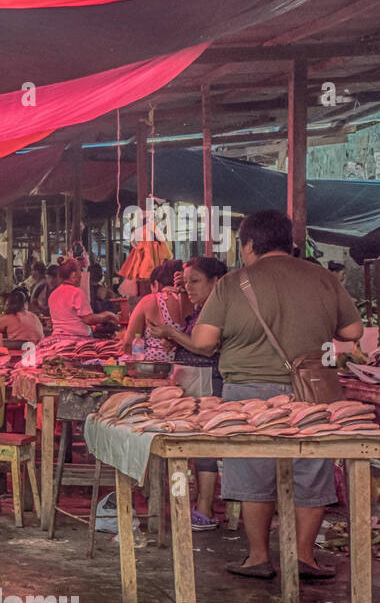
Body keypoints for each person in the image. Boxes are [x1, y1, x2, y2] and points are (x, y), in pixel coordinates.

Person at [188, 210, 363, 580]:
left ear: (249, 243)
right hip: (312, 390)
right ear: (290, 242)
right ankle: (304, 557)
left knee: (254, 471)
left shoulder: (233, 283)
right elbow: (352, 330)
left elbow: (203, 341)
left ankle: (258, 557)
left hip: (249, 392)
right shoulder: (322, 278)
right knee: (311, 472)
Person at [145, 256, 228, 530]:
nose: (188, 288)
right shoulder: (201, 309)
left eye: (195, 281)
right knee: (192, 441)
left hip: (205, 379)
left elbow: (205, 348)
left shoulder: (217, 310)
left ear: (216, 281)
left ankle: (204, 508)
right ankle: (195, 504)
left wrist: (172, 332)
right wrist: (175, 342)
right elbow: (192, 343)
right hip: (191, 378)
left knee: (202, 442)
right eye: (185, 282)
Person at [117, 259, 185, 358]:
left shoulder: (150, 301)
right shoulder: (195, 300)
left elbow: (129, 344)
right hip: (190, 366)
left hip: (155, 368)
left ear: (156, 285)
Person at [49, 261, 118, 337]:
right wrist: (107, 315)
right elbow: (88, 319)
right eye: (80, 272)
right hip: (77, 338)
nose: (81, 276)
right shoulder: (76, 292)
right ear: (73, 274)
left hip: (57, 336)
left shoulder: (53, 294)